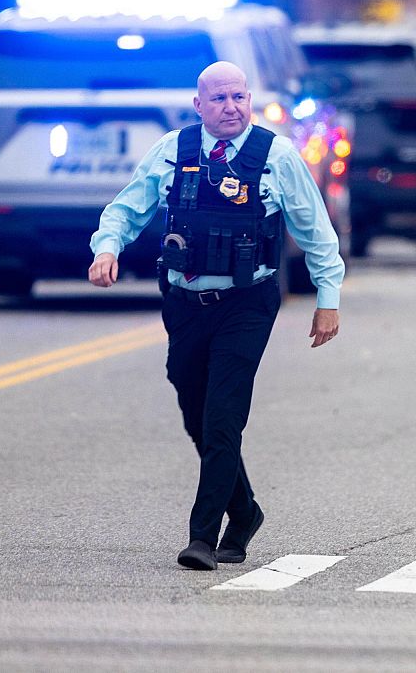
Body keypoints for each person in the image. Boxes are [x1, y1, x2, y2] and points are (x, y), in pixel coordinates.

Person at [87, 61, 344, 570]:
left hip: (247, 302)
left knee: (224, 416)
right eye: (220, 99)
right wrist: (107, 248)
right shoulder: (173, 151)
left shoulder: (277, 155)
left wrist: (327, 296)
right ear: (199, 105)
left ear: (249, 101)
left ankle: (203, 536)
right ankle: (245, 511)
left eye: (239, 97)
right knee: (195, 411)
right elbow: (126, 208)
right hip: (184, 302)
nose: (231, 108)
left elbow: (315, 228)